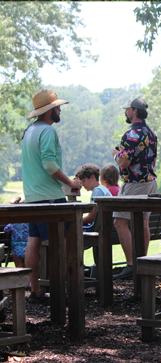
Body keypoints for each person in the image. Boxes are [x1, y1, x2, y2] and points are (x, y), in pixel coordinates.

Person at [21, 89, 82, 304]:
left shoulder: (29, 131)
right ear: (49, 111)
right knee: (62, 245)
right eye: (57, 107)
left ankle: (36, 291)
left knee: (33, 241)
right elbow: (48, 163)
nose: (59, 110)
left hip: (32, 197)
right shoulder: (47, 132)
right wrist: (70, 182)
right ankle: (61, 292)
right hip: (50, 198)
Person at [112, 97, 158, 279]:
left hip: (134, 184)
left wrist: (116, 155)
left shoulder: (130, 134)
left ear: (135, 111)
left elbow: (124, 163)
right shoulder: (152, 133)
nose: (125, 112)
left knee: (119, 222)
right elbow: (153, 160)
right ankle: (143, 261)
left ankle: (132, 264)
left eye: (127, 109)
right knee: (143, 223)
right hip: (150, 182)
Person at [3, 195, 28, 267]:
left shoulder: (13, 223)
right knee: (27, 269)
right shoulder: (30, 223)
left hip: (16, 248)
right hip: (28, 248)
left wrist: (12, 201)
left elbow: (6, 230)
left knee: (19, 268)